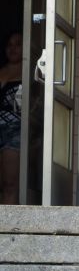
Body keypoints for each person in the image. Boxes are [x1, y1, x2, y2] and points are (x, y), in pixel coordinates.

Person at [0, 32, 22, 205]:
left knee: (9, 183)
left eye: (18, 44)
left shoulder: (30, 72)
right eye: (10, 44)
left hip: (14, 130)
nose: (13, 48)